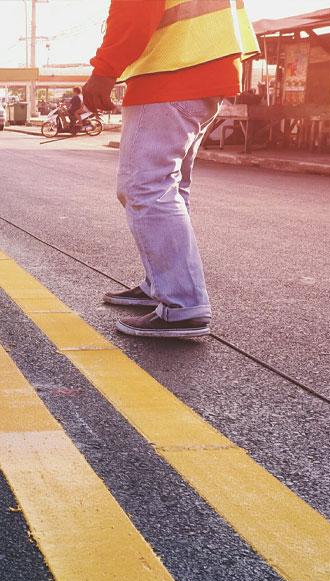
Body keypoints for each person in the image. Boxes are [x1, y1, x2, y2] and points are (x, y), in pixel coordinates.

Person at [83, 0, 258, 338]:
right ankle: (161, 285)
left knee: (145, 186)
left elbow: (134, 12)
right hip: (203, 73)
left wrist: (104, 70)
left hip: (170, 75)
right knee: (170, 187)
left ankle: (181, 302)